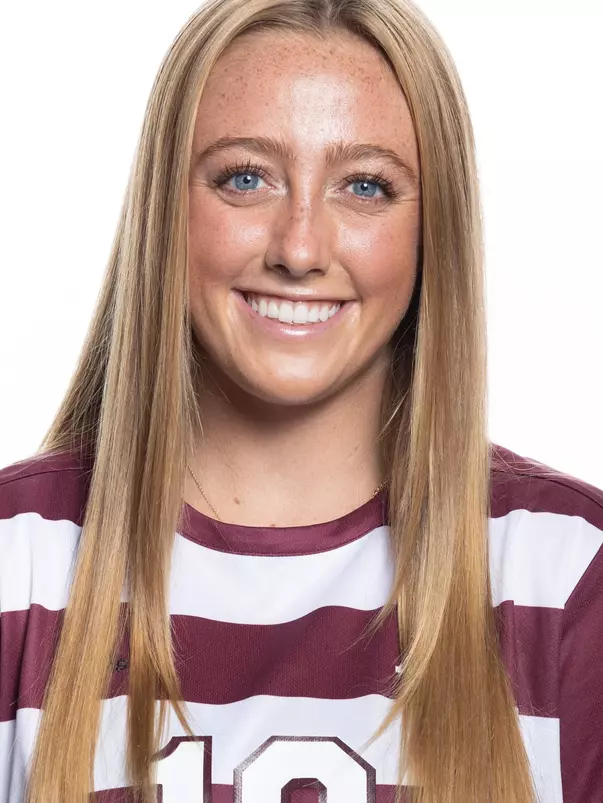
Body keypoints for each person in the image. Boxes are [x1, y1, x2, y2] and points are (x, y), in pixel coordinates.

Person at [1, 0, 602, 801]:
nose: (299, 248)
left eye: (365, 185)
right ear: (165, 209)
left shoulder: (567, 572)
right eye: (245, 177)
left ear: (433, 228)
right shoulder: (18, 561)